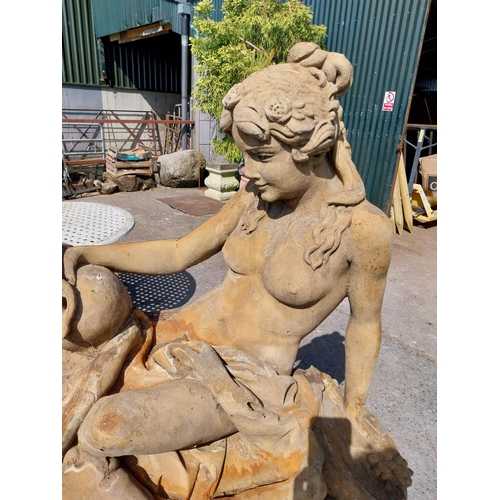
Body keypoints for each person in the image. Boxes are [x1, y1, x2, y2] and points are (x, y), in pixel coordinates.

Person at [63, 42, 392, 490]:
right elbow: (178, 252)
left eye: (262, 156)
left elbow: (364, 323)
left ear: (313, 148)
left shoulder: (363, 229)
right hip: (178, 331)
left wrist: (355, 408)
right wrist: (88, 252)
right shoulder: (254, 197)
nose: (247, 171)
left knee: (105, 428)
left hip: (240, 378)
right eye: (244, 155)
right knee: (77, 317)